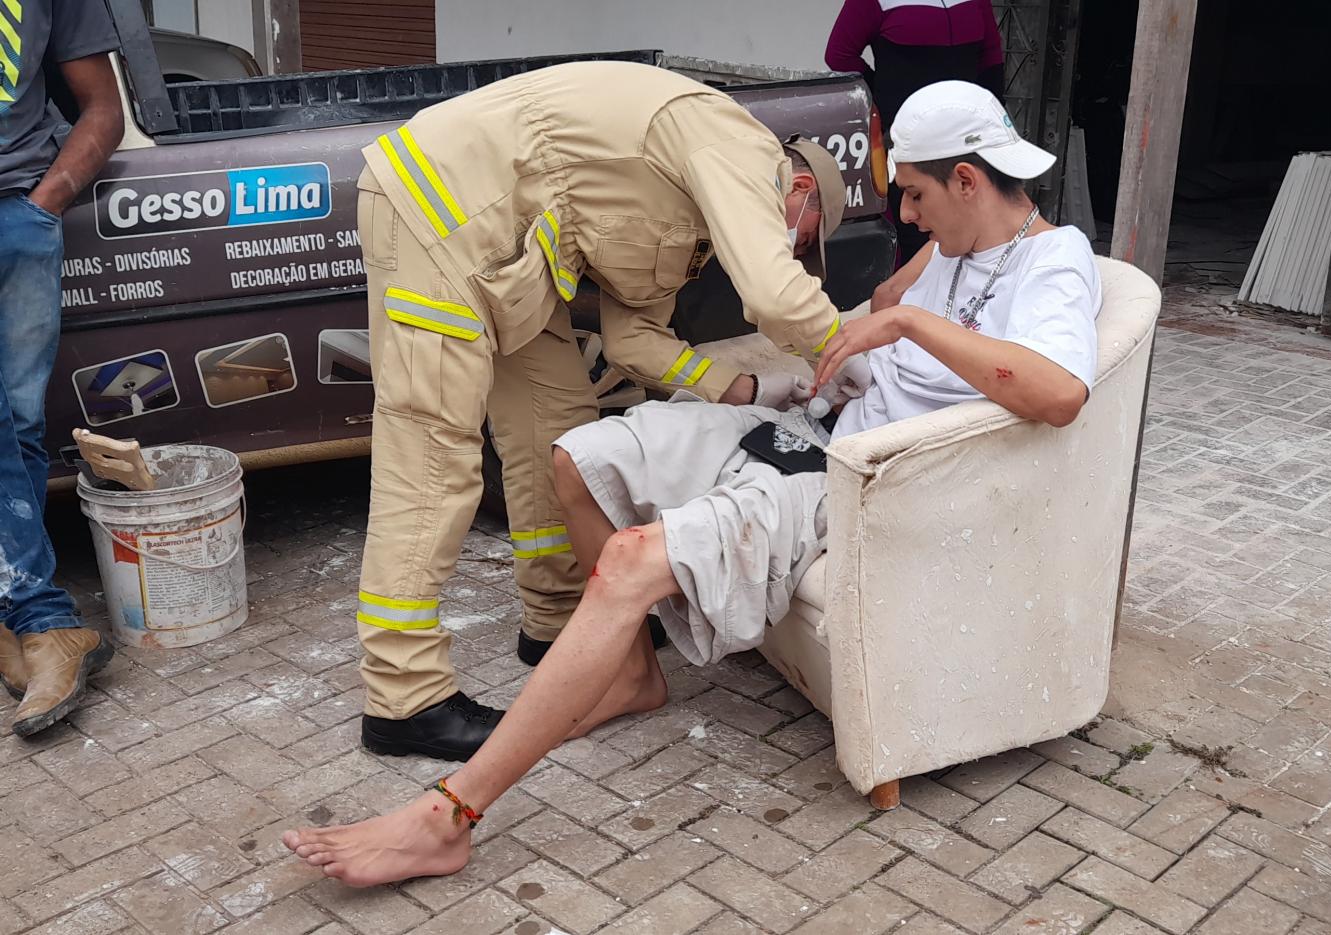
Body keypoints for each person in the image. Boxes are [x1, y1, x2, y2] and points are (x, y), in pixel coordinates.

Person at [285, 80, 1101, 887]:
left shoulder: (1053, 262)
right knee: (578, 454)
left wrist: (909, 321)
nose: (909, 218)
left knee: (630, 561)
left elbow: (1059, 392)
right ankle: (633, 670)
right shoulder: (932, 239)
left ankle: (449, 815)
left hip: (858, 475)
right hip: (800, 425)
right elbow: (849, 300)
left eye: (918, 196)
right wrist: (849, 328)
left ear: (967, 180)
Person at [352, 61, 852, 762]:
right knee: (433, 459)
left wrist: (745, 391)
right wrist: (848, 348)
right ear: (797, 190)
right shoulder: (734, 143)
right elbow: (773, 292)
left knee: (559, 429)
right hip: (441, 212)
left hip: (509, 254)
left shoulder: (695, 214)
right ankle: (404, 697)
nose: (795, 252)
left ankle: (557, 618)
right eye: (804, 241)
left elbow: (633, 339)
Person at [0, 0, 125, 737]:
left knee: (15, 421)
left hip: (16, 217)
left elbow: (101, 107)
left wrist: (41, 209)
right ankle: (43, 619)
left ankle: (34, 621)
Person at [825, 0, 1005, 265]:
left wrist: (992, 114)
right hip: (909, 140)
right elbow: (839, 55)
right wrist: (885, 95)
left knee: (971, 223)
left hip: (966, 136)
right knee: (917, 226)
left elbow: (990, 54)